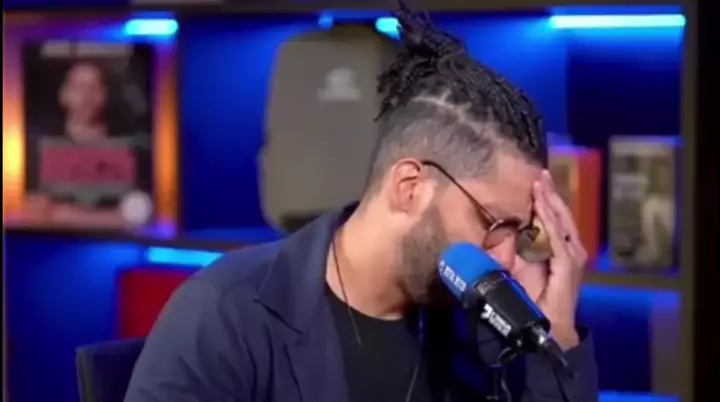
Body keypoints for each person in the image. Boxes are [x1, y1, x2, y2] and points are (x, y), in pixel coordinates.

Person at [125, 5, 598, 402]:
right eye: (494, 224)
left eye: (520, 233)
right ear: (410, 187)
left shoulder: (479, 327)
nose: (507, 258)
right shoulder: (228, 313)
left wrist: (555, 332)